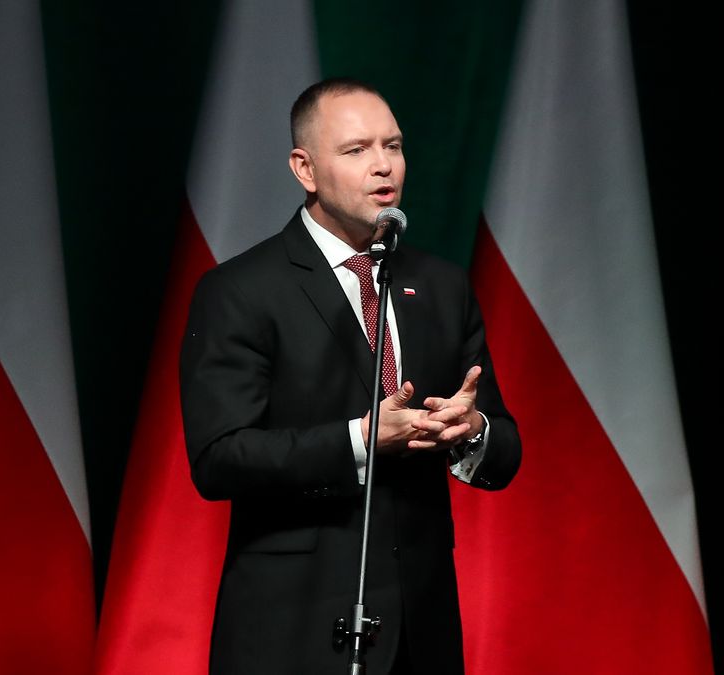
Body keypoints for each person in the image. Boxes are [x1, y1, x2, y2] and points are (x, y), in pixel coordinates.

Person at [180, 78, 521, 675]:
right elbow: (219, 458)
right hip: (292, 628)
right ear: (304, 168)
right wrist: (362, 440)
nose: (383, 165)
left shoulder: (441, 286)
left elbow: (505, 450)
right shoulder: (239, 291)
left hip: (422, 629)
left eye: (393, 145)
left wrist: (470, 430)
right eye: (356, 150)